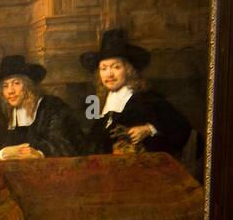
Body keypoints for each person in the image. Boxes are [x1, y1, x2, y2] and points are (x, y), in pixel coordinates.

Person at [80, 28, 192, 160]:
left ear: (128, 70)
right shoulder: (102, 102)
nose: (109, 74)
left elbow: (182, 127)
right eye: (103, 68)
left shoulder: (147, 98)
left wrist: (148, 129)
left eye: (116, 67)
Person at [0, 55, 85, 158]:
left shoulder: (52, 107)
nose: (10, 91)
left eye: (16, 83)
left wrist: (40, 153)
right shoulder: (6, 114)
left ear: (28, 86)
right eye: (5, 86)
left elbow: (64, 145)